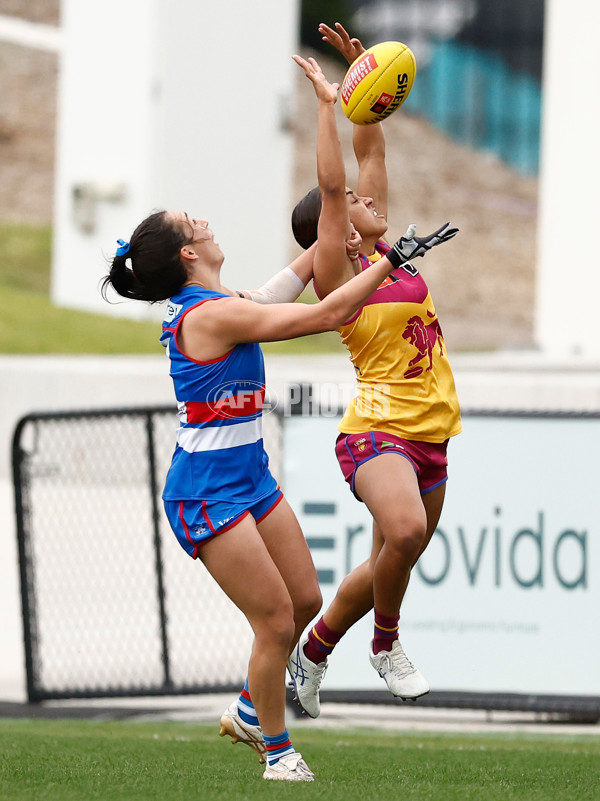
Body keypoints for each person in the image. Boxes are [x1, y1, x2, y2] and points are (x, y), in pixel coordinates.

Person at [101, 52, 427, 781]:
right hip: (206, 487)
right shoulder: (212, 317)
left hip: (246, 475)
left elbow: (322, 244)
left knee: (306, 598)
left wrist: (340, 116)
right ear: (189, 252)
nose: (208, 220)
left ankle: (254, 706)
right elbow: (332, 308)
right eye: (195, 221)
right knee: (277, 620)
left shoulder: (231, 303)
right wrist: (388, 259)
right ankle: (276, 752)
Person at [287, 22, 462, 718]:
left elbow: (372, 144)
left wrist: (364, 81)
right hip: (377, 429)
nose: (366, 200)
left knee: (389, 557)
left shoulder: (389, 247)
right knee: (409, 534)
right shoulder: (338, 271)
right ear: (334, 226)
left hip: (432, 429)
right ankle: (385, 644)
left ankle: (315, 651)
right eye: (355, 205)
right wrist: (329, 106)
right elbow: (334, 186)